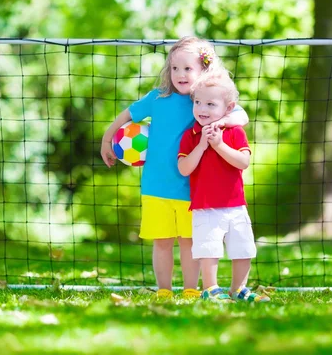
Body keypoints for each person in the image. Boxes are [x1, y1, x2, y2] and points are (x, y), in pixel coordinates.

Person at [100, 37, 249, 299]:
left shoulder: (203, 102)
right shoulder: (157, 98)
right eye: (175, 68)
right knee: (162, 243)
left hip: (192, 188)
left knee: (190, 243)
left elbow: (241, 115)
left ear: (204, 70)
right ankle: (164, 291)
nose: (180, 74)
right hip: (156, 187)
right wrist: (106, 137)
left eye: (188, 68)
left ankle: (191, 290)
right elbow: (127, 114)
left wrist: (222, 122)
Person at [177, 70, 270, 303]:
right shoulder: (190, 135)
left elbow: (243, 162)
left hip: (235, 205)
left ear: (229, 108)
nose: (202, 109)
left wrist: (218, 145)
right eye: (198, 102)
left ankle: (238, 289)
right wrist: (201, 146)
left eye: (210, 103)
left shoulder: (235, 132)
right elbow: (184, 169)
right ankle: (211, 288)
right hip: (205, 206)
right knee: (208, 250)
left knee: (243, 248)